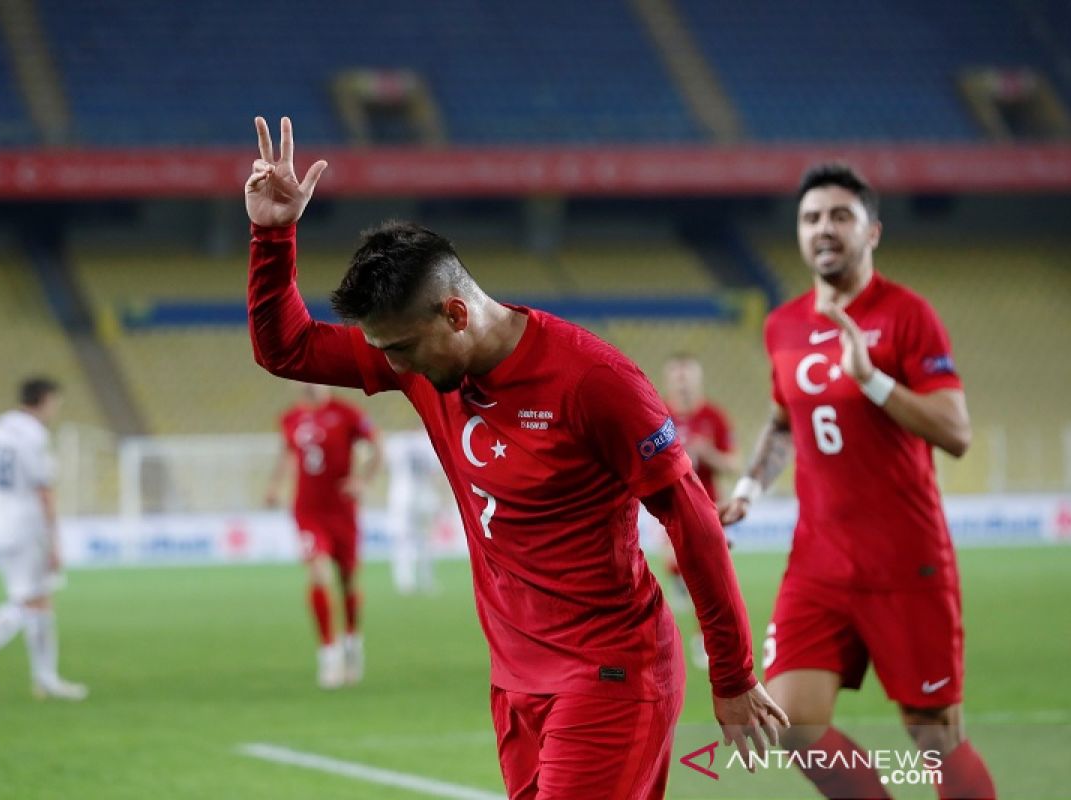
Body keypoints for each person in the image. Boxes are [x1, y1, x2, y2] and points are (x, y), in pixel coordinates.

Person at [245, 115, 786, 798]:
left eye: (401, 348)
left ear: (457, 315)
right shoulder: (419, 360)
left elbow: (692, 519)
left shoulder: (595, 382)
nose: (389, 367)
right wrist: (272, 234)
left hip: (610, 675)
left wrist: (733, 675)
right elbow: (286, 349)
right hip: (515, 680)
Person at [719, 163, 995, 799]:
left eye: (840, 216)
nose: (824, 229)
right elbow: (784, 421)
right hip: (819, 560)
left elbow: (956, 433)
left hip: (906, 560)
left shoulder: (908, 316)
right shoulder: (782, 325)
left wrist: (872, 379)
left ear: (873, 231)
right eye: (811, 218)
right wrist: (749, 491)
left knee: (932, 735)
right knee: (792, 719)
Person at [0, 377, 88, 701]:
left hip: (0, 520)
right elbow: (43, 488)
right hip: (27, 521)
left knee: (37, 597)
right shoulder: (34, 434)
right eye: (55, 403)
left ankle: (44, 679)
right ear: (45, 400)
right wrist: (55, 539)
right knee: (32, 599)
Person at [265, 383, 382, 689]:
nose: (308, 383)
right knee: (318, 575)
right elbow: (286, 454)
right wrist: (275, 486)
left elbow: (378, 446)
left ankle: (352, 643)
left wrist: (363, 480)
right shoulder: (290, 418)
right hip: (308, 511)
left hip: (342, 510)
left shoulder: (347, 413)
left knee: (346, 581)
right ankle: (328, 655)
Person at [660, 354, 739, 669]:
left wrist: (708, 454)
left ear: (698, 379)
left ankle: (702, 641)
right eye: (677, 376)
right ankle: (679, 586)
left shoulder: (714, 417)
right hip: (665, 506)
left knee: (707, 579)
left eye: (688, 375)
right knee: (680, 564)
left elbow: (734, 464)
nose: (683, 382)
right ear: (668, 380)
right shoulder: (657, 412)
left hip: (709, 508)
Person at [383, 427, 446, 595]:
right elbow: (435, 472)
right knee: (424, 539)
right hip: (423, 496)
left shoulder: (395, 441)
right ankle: (424, 579)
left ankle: (405, 581)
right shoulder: (428, 440)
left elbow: (385, 465)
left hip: (401, 495)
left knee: (404, 538)